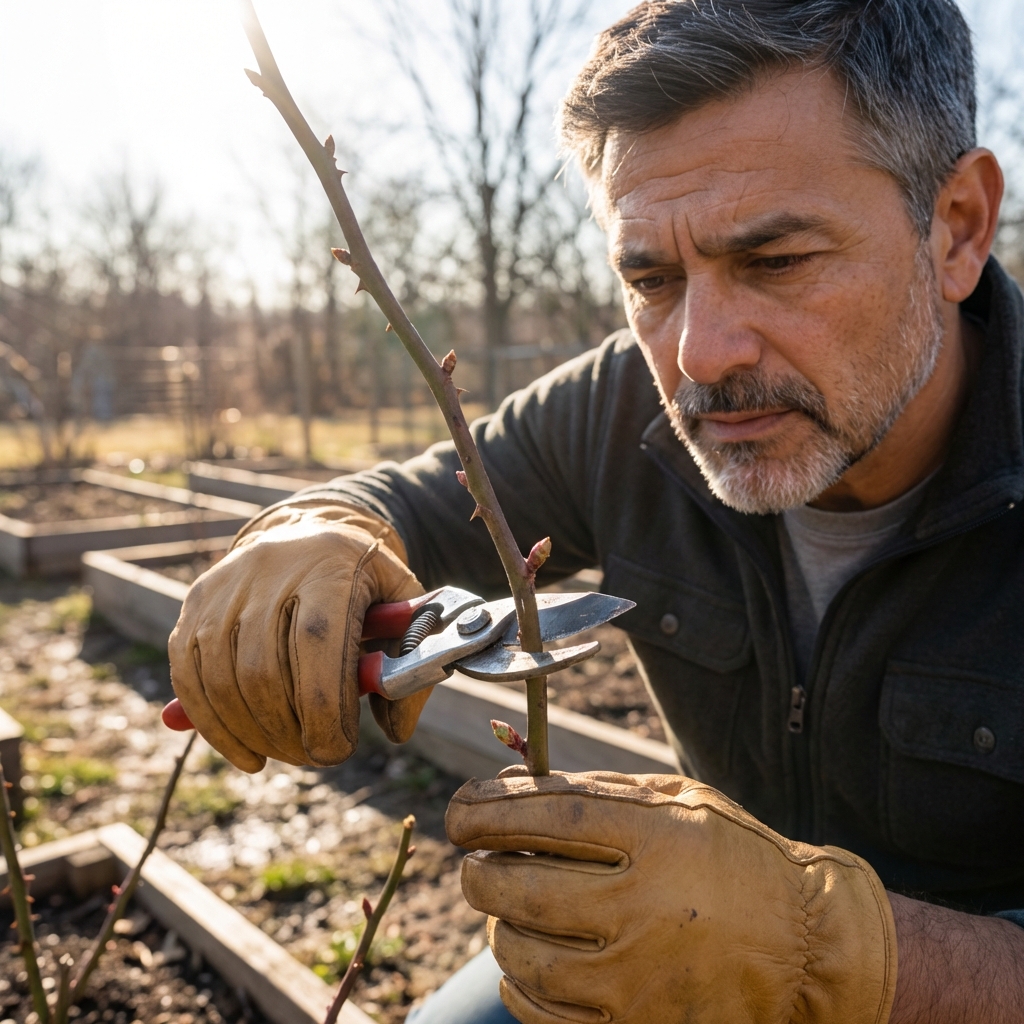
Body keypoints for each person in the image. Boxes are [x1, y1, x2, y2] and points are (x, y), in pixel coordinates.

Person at [169, 1, 1024, 1021]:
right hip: (674, 950)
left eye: (776, 260)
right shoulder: (622, 406)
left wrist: (819, 952)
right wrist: (314, 528)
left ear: (956, 227)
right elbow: (415, 500)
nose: (700, 353)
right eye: (650, 278)